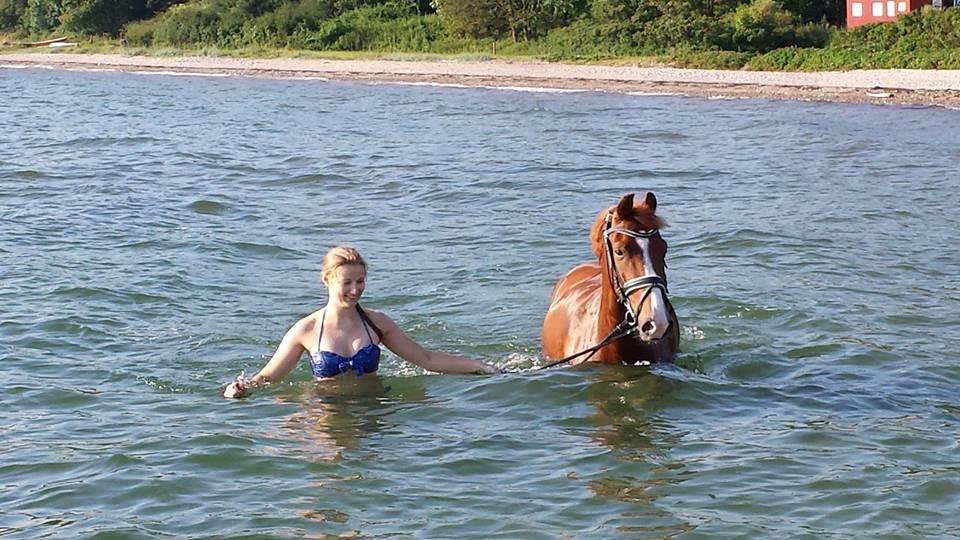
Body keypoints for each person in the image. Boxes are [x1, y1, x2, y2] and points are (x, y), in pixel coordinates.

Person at [224, 246, 500, 398]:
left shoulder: (378, 323)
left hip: (374, 406)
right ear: (327, 281)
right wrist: (238, 390)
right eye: (347, 283)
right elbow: (268, 378)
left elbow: (426, 359)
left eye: (360, 281)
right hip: (326, 412)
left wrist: (480, 366)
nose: (355, 290)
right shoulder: (306, 329)